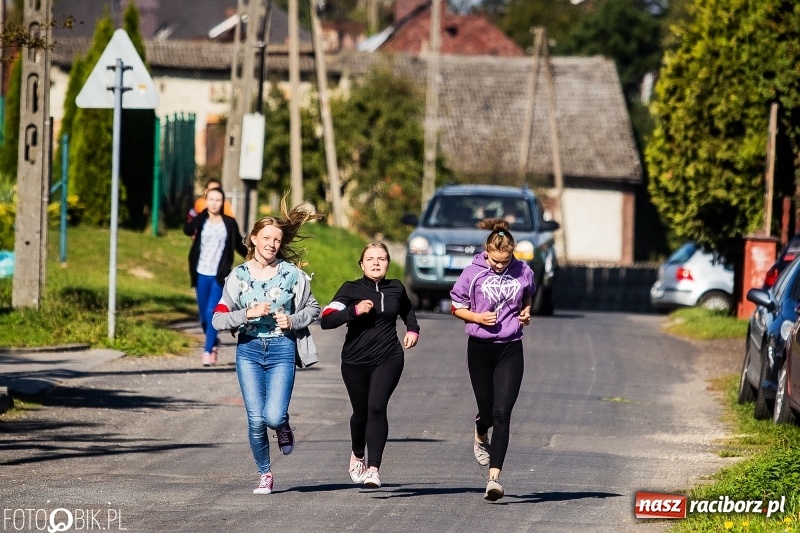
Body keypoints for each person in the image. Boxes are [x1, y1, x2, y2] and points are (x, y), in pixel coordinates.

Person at [211, 198, 323, 495]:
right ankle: (265, 474)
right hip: (248, 350)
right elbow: (218, 320)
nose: (272, 244)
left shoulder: (292, 275)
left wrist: (294, 320)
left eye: (277, 240)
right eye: (267, 238)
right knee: (256, 418)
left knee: (273, 416)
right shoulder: (238, 276)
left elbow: (314, 309)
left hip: (282, 349)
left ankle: (283, 426)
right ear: (254, 239)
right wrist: (247, 313)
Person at [320, 242, 420, 489]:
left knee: (377, 407)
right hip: (354, 361)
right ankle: (357, 453)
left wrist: (413, 330)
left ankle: (374, 468)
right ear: (361, 264)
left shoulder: (396, 288)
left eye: (382, 258)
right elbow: (326, 320)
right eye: (371, 259)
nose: (376, 263)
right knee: (361, 413)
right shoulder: (350, 289)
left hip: (389, 357)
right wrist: (354, 311)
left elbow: (407, 311)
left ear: (388, 262)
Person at [449, 218, 534, 502]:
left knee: (503, 414)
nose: (500, 266)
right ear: (487, 251)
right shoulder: (472, 272)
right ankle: (479, 429)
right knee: (487, 412)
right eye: (495, 261)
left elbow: (528, 293)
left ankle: (494, 479)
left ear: (512, 253)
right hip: (480, 349)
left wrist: (526, 311)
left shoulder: (523, 270)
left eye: (505, 260)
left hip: (511, 347)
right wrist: (476, 317)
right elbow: (455, 306)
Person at [183, 187, 247, 367]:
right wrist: (199, 215)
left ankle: (207, 351)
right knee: (203, 316)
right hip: (201, 272)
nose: (214, 203)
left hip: (220, 275)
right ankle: (213, 342)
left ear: (223, 202)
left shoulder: (229, 223)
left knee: (213, 312)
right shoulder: (202, 219)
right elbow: (187, 229)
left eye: (218, 200)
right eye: (211, 199)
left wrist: (254, 257)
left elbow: (238, 245)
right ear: (206, 201)